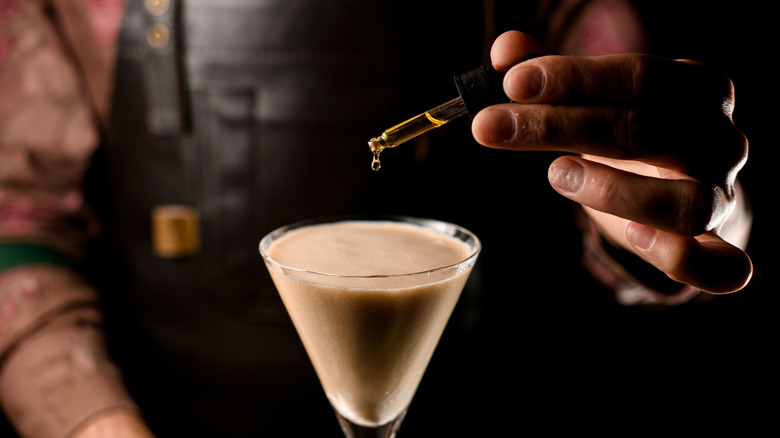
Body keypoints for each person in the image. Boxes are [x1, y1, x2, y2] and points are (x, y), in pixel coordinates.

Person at [0, 1, 757, 437]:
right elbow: (16, 218)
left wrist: (668, 207)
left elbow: (630, 129)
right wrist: (92, 424)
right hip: (167, 415)